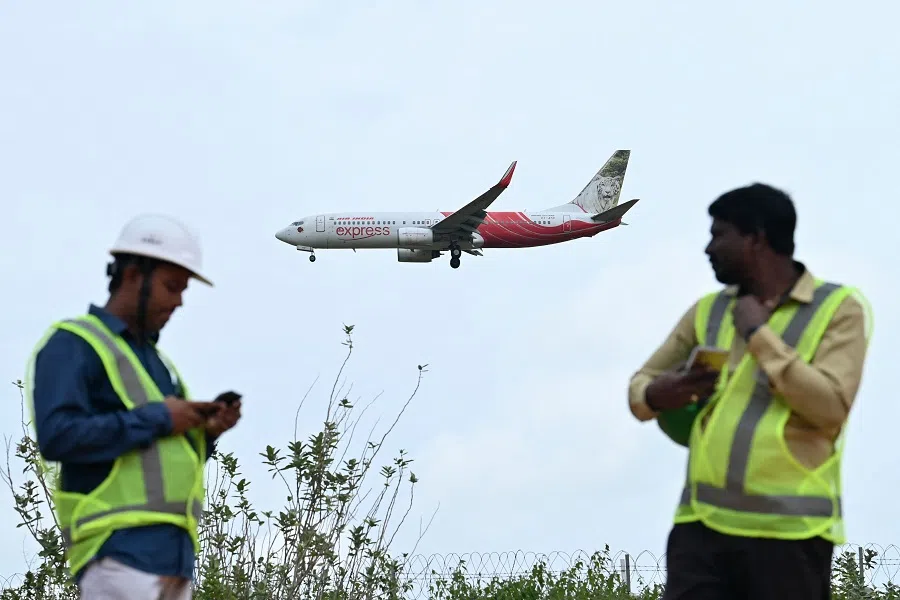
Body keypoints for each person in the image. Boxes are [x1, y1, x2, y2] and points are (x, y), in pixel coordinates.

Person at [627, 183, 873, 600]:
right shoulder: (707, 310)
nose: (708, 248)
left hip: (790, 535)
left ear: (756, 238)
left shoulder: (839, 309)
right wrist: (661, 393)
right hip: (700, 529)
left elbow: (831, 408)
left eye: (719, 234)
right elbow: (639, 388)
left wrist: (759, 334)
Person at [24, 214, 242, 599]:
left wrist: (204, 435)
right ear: (132, 277)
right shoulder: (73, 344)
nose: (179, 301)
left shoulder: (157, 364)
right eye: (171, 287)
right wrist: (160, 417)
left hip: (172, 563)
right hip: (118, 553)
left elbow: (157, 458)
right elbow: (58, 436)